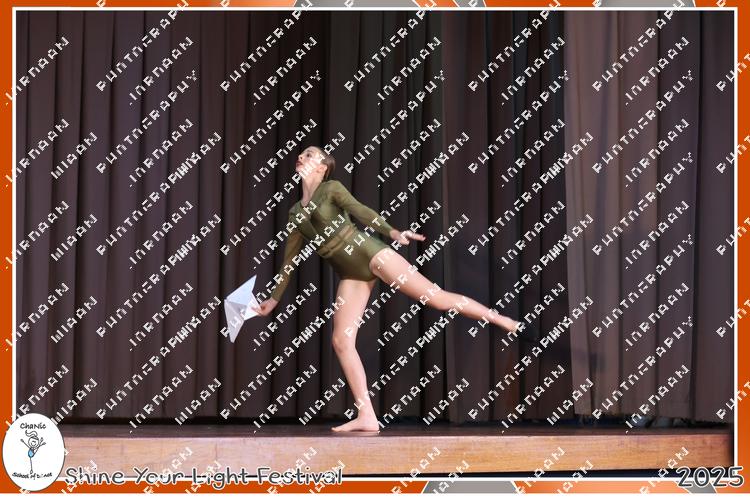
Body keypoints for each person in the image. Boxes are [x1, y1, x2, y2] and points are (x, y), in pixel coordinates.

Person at [252, 146, 525, 432]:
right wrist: (274, 299)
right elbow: (289, 260)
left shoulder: (331, 188)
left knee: (437, 299)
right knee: (341, 341)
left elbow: (360, 210)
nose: (302, 157)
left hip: (371, 253)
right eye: (301, 154)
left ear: (322, 167)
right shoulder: (295, 213)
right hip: (350, 273)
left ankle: (502, 320)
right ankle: (367, 415)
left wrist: (392, 232)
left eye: (310, 154)